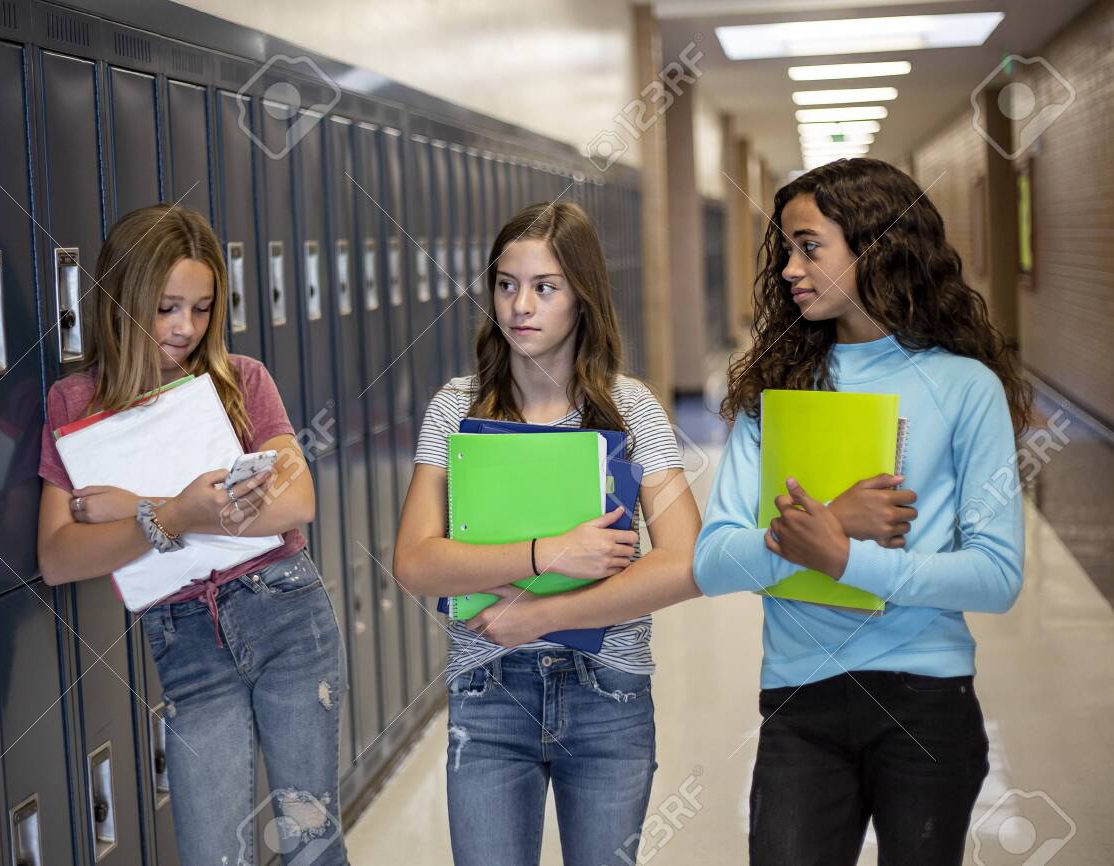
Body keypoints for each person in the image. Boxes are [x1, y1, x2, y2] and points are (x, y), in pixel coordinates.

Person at [693, 158, 1032, 865]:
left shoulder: (965, 387)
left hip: (927, 699)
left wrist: (849, 561)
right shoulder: (775, 387)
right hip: (799, 700)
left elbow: (995, 576)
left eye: (809, 246)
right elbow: (715, 560)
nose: (789, 268)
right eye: (786, 248)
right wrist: (831, 525)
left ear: (875, 247)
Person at [36, 204, 348, 866]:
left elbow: (296, 501)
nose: (185, 328)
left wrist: (141, 509)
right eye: (166, 308)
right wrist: (175, 517)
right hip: (187, 644)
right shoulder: (75, 405)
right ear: (122, 301)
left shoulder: (242, 381)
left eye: (202, 308)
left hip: (286, 616)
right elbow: (59, 557)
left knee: (310, 841)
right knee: (213, 854)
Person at [394, 201, 702, 866]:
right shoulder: (456, 408)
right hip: (488, 692)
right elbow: (415, 563)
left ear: (582, 297)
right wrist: (550, 553)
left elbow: (686, 562)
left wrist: (540, 615)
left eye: (545, 287)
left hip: (608, 692)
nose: (520, 305)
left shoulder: (631, 409)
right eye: (506, 284)